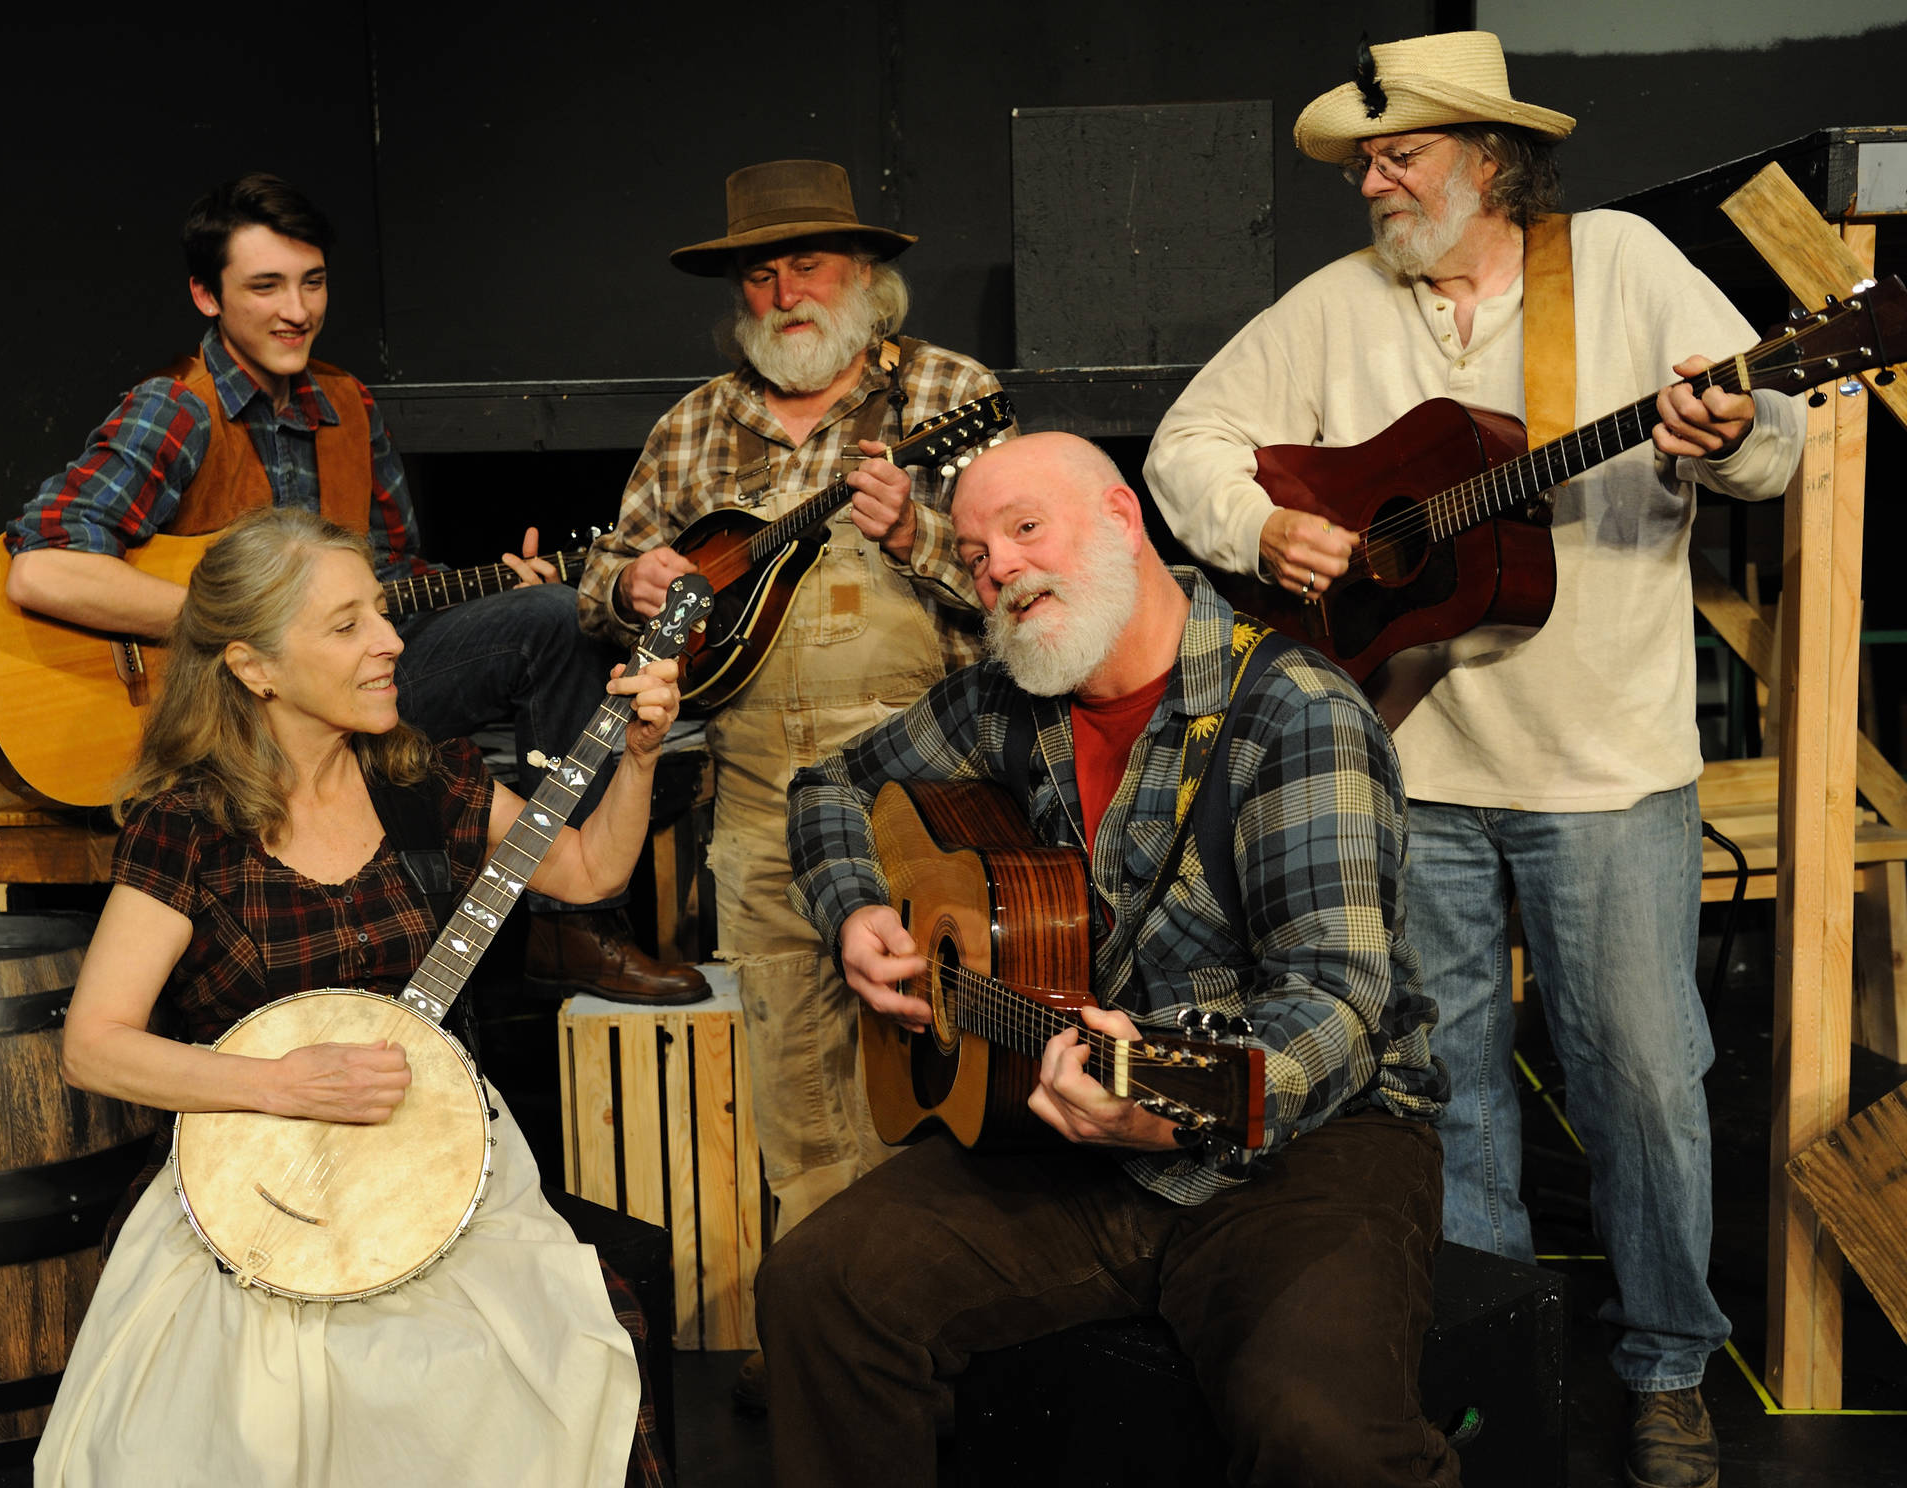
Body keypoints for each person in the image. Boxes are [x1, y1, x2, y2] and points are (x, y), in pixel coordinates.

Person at [1144, 32, 1804, 1488]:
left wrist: (1733, 426)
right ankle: (1492, 1346)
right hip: (1410, 762)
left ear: (1492, 160)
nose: (1372, 181)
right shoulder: (1333, 307)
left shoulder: (1619, 266)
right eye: (1365, 162)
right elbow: (1189, 443)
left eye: (1401, 153)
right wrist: (1265, 532)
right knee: (1444, 1087)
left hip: (1605, 768)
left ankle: (1667, 1366)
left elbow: (1778, 442)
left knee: (1642, 1080)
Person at [763, 432, 1453, 1485]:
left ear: (1122, 521)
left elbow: (1335, 999)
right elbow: (828, 788)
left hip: (1298, 1149)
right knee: (819, 1286)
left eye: (1025, 528)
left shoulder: (1293, 713)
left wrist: (1180, 1096)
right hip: (1067, 1134)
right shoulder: (1008, 698)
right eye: (976, 550)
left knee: (1316, 1431)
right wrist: (857, 912)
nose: (997, 567)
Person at [33, 507, 679, 1486]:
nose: (389, 642)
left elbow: (587, 872)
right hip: (257, 1174)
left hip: (440, 1156)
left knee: (526, 1372)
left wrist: (634, 759)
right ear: (254, 668)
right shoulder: (188, 826)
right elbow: (95, 1046)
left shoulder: (431, 780)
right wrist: (280, 1084)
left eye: (380, 614)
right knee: (266, 1411)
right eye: (346, 626)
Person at [5, 171, 703, 1006]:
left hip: (339, 677)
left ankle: (567, 919)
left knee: (548, 619)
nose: (296, 309)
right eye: (265, 286)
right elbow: (41, 565)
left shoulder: (348, 403)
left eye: (313, 281)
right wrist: (242, 625)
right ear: (205, 294)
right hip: (241, 698)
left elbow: (394, 579)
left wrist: (486, 593)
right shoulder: (176, 410)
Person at [577, 160, 1004, 1340]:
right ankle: (830, 1346)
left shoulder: (947, 397)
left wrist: (920, 536)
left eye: (806, 264)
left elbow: (1028, 588)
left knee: (943, 1077)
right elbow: (597, 579)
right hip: (761, 814)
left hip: (936, 814)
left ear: (866, 278)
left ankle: (948, 1340)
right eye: (758, 273)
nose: (781, 293)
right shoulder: (695, 425)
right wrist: (634, 582)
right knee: (803, 1103)